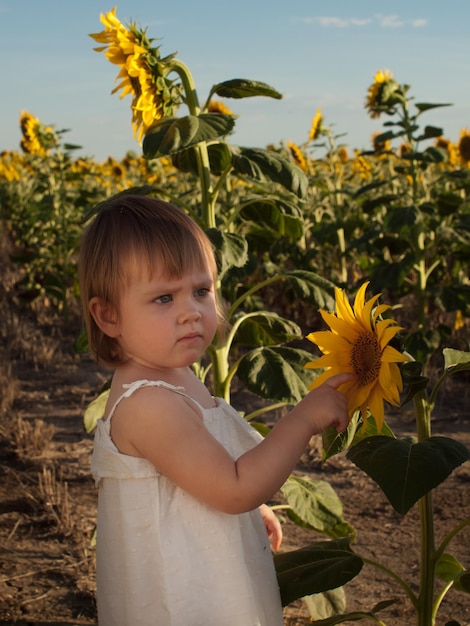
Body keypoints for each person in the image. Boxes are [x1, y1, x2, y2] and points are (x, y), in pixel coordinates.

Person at [78, 194, 352, 626]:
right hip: (181, 599)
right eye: (164, 298)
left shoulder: (175, 374)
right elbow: (234, 487)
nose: (190, 312)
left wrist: (253, 510)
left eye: (201, 291)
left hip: (204, 569)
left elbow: (203, 469)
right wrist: (302, 419)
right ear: (109, 316)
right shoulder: (149, 403)